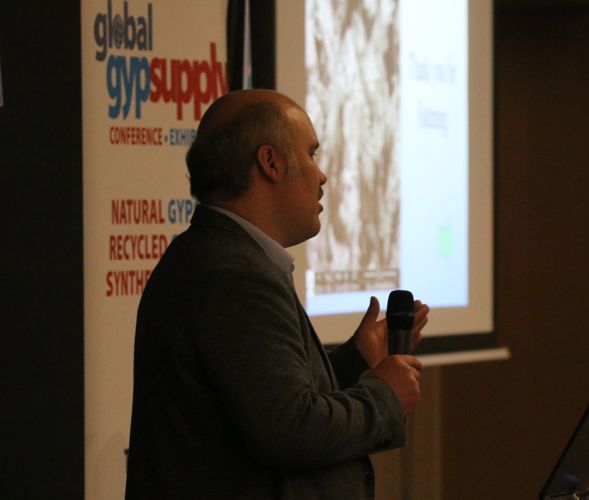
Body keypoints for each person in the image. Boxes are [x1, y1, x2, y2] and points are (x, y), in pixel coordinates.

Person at [125, 89, 429, 500]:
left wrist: (356, 360)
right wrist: (385, 397)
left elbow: (259, 401)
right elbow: (291, 430)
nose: (322, 176)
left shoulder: (217, 256)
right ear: (270, 163)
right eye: (311, 154)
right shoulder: (234, 275)